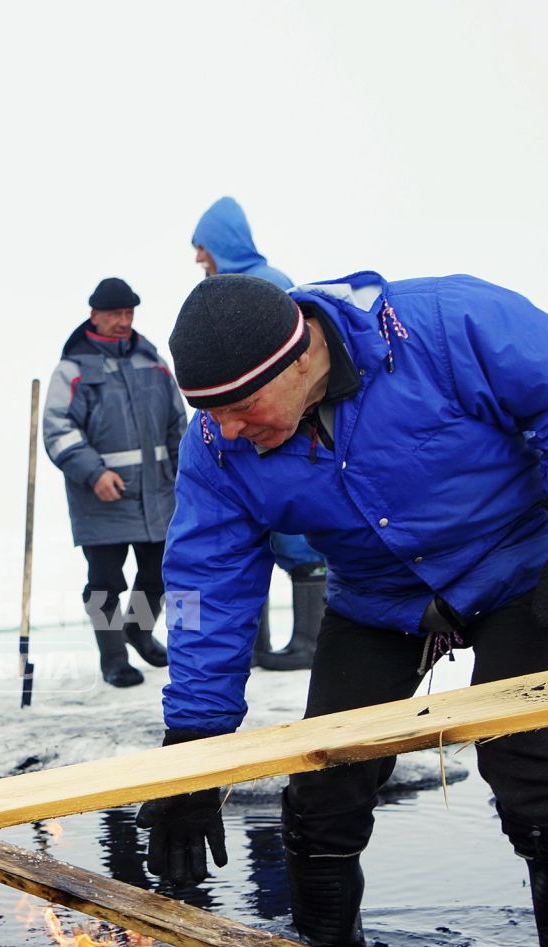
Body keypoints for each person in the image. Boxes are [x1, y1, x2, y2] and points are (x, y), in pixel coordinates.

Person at [140, 271, 548, 947]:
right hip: (381, 598)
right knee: (325, 772)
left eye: (241, 408)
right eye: (208, 414)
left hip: (520, 570)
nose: (226, 431)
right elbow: (205, 588)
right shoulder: (217, 450)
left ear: (300, 358)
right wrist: (192, 746)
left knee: (518, 752)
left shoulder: (442, 327)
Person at [191, 196, 326, 671]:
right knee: (254, 542)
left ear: (221, 243)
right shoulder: (227, 288)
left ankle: (310, 641)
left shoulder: (269, 286)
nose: (197, 257)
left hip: (282, 441)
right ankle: (256, 645)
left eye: (202, 246)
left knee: (295, 538)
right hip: (244, 445)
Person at [40, 276, 185, 687]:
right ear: (94, 315)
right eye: (115, 314)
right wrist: (94, 472)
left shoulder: (152, 362)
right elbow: (58, 428)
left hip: (157, 493)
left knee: (159, 574)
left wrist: (182, 475)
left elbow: (177, 422)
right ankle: (114, 659)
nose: (123, 321)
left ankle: (138, 631)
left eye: (128, 313)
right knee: (105, 582)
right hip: (101, 496)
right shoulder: (72, 369)